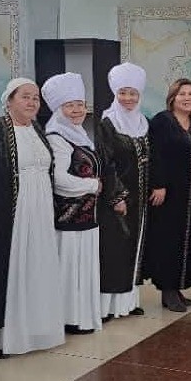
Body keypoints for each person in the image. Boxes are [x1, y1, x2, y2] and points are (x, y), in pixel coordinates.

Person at [0, 78, 64, 357]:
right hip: (10, 212)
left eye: (36, 98)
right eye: (25, 96)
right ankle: (2, 338)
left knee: (36, 267)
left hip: (40, 209)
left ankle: (34, 331)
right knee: (8, 269)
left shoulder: (37, 129)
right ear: (9, 101)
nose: (32, 102)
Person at [44, 72, 122, 335]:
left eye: (80, 104)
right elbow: (58, 179)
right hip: (69, 218)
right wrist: (92, 186)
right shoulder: (57, 137)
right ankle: (69, 318)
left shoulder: (78, 134)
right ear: (59, 109)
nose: (77, 110)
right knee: (69, 269)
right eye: (70, 106)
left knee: (83, 267)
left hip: (88, 216)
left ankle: (82, 316)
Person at [144, 79, 191, 312]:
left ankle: (177, 287)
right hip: (167, 193)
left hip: (190, 193)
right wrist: (158, 184)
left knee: (186, 238)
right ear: (172, 97)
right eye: (182, 94)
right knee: (167, 239)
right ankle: (167, 289)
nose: (187, 98)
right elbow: (155, 154)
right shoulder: (162, 121)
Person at [97, 62, 149, 320]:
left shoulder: (143, 122)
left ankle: (128, 303)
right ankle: (108, 306)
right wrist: (117, 196)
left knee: (134, 248)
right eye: (123, 93)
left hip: (141, 199)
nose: (128, 98)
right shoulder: (107, 123)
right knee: (114, 249)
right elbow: (106, 164)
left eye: (133, 93)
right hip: (117, 200)